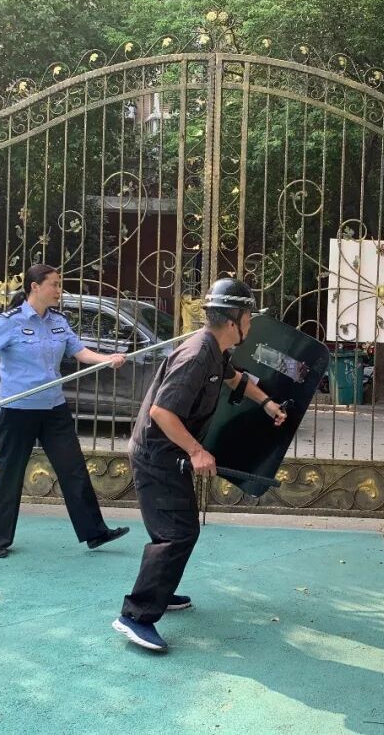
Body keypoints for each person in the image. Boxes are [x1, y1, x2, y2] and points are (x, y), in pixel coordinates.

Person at [112, 278, 288, 653]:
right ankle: (136, 615)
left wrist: (266, 402)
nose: (251, 323)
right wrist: (196, 451)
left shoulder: (214, 350)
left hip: (167, 455)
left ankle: (160, 592)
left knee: (178, 528)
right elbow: (162, 411)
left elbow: (233, 378)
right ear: (233, 320)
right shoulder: (195, 356)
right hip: (157, 457)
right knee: (177, 532)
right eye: (249, 316)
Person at [0, 263, 131, 559]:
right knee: (11, 474)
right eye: (54, 284)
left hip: (54, 408)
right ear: (35, 287)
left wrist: (107, 359)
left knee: (73, 469)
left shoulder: (58, 321)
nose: (59, 290)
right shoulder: (10, 321)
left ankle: (95, 532)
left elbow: (79, 352)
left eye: (59, 284)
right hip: (18, 410)